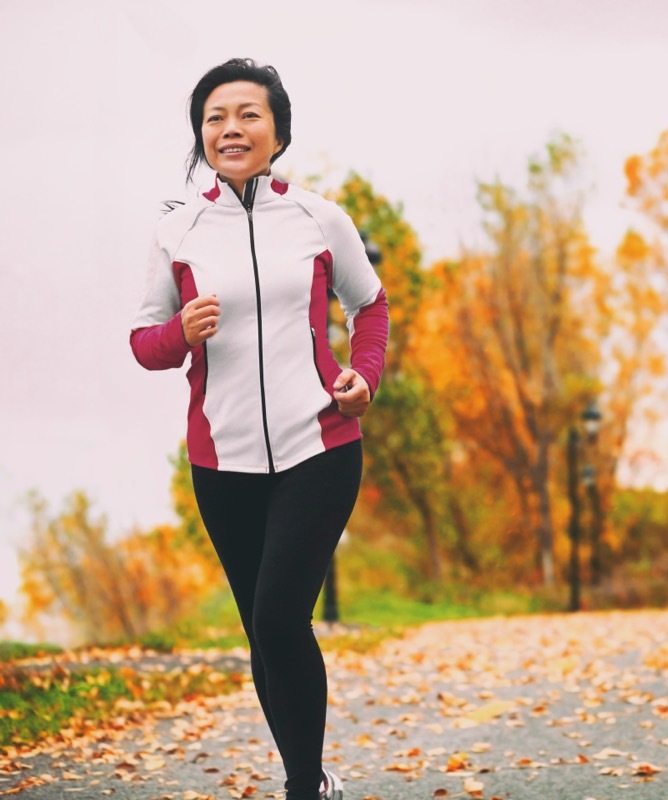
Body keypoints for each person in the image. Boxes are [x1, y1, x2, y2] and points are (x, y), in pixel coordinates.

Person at [130, 58, 388, 800]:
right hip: (223, 461)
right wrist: (181, 332)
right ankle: (309, 776)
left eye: (248, 114)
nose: (231, 128)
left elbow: (368, 307)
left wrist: (362, 378)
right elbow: (145, 342)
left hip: (320, 446)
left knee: (280, 615)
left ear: (277, 131)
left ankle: (306, 787)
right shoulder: (177, 230)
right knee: (263, 632)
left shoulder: (317, 216)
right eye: (216, 117)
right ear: (201, 135)